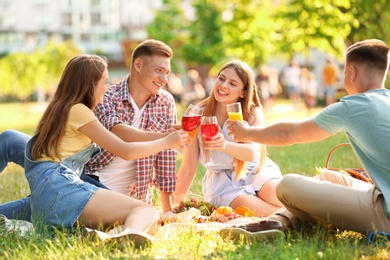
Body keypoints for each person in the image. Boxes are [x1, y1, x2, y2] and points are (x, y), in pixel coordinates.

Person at [0, 39, 179, 220]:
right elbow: (120, 137)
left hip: (75, 180)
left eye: (167, 73)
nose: (164, 79)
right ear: (138, 65)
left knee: (45, 200)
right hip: (79, 176)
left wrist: (168, 208)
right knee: (11, 141)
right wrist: (165, 139)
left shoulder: (165, 102)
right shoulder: (102, 99)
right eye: (159, 71)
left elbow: (165, 160)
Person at [20, 54, 187, 246]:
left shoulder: (61, 108)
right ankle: (124, 237)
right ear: (90, 85)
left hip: (45, 197)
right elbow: (125, 150)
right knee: (145, 211)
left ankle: (108, 237)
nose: (107, 88)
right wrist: (166, 142)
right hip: (61, 188)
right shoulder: (79, 111)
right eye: (105, 82)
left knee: (137, 219)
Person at [227, 39, 390, 235]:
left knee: (288, 185)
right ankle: (277, 223)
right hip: (381, 195)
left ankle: (278, 225)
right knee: (327, 177)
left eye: (345, 72)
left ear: (352, 72)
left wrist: (246, 133)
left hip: (386, 213)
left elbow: (288, 133)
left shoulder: (355, 105)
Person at [173, 60, 283, 218]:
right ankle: (297, 217)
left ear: (243, 92)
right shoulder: (198, 113)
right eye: (221, 78)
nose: (224, 85)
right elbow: (189, 166)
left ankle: (299, 214)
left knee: (277, 194)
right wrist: (176, 206)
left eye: (232, 83)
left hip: (255, 171)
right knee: (247, 205)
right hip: (223, 183)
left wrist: (224, 145)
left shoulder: (251, 113)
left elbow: (250, 154)